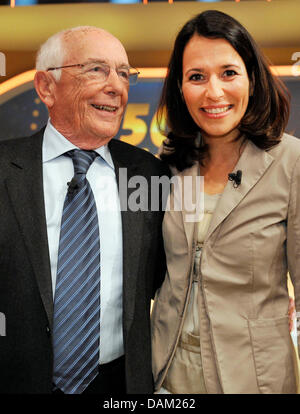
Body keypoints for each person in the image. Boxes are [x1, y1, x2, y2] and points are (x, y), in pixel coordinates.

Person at [0, 26, 169, 394]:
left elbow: (170, 280)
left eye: (124, 73)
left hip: (121, 385)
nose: (117, 87)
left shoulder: (148, 173)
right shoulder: (3, 169)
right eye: (96, 69)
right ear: (46, 87)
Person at [151, 10, 300, 394]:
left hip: (254, 378)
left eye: (228, 73)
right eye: (196, 77)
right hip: (168, 375)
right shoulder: (167, 168)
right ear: (180, 89)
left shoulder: (291, 162)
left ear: (252, 77)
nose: (213, 92)